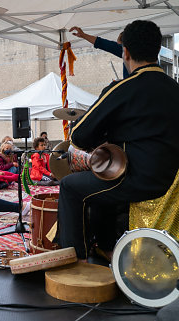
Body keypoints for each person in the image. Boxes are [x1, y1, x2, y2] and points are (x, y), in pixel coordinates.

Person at [58, 20, 179, 261]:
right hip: (171, 181)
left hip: (139, 180)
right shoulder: (174, 88)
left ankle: (75, 263)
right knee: (100, 183)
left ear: (125, 52)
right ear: (157, 50)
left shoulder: (123, 88)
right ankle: (106, 245)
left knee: (70, 187)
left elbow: (79, 135)